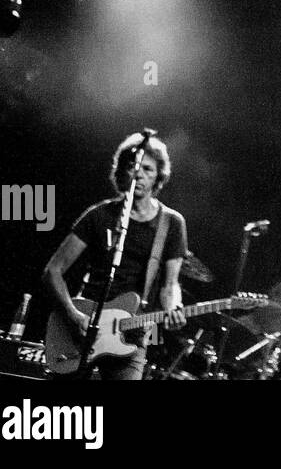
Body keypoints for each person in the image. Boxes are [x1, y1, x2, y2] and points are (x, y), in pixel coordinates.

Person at [43, 132, 188, 379]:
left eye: (148, 169)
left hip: (133, 332)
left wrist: (174, 307)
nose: (139, 174)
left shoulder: (172, 223)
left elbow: (170, 284)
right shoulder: (99, 215)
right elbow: (53, 271)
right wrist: (72, 313)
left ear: (158, 177)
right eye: (133, 167)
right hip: (83, 325)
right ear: (122, 172)